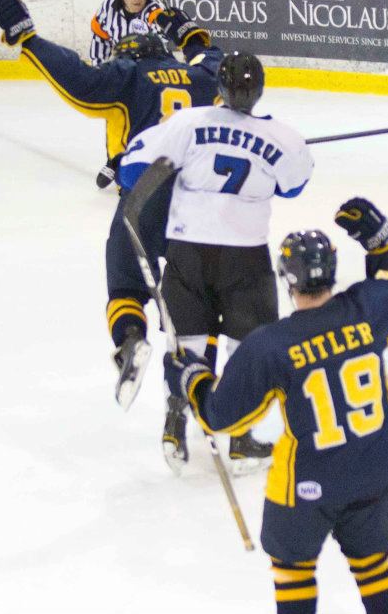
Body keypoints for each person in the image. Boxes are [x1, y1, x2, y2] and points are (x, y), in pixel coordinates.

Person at [0, 0, 225, 421]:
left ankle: (131, 338)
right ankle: (196, 374)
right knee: (193, 294)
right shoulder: (198, 79)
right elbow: (218, 63)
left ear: (129, 55)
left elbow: (79, 80)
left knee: (126, 280)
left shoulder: (129, 74)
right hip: (199, 199)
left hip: (146, 190)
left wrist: (27, 38)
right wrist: (189, 34)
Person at [163, 197, 388, 614]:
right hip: (379, 463)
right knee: (373, 564)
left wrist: (190, 376)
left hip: (311, 479)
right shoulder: (366, 311)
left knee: (293, 569)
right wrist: (380, 238)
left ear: (287, 279)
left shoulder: (271, 345)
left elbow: (221, 416)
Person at [117, 51, 314, 474]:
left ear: (220, 89)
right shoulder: (284, 137)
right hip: (246, 254)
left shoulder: (188, 122)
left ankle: (174, 422)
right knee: (247, 345)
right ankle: (241, 439)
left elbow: (132, 170)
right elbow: (293, 187)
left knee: (185, 342)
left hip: (189, 251)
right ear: (259, 91)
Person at [89, 0, 163, 67]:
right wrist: (98, 72)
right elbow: (99, 41)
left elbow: (161, 52)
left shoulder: (155, 11)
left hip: (148, 74)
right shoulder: (108, 7)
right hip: (121, 72)